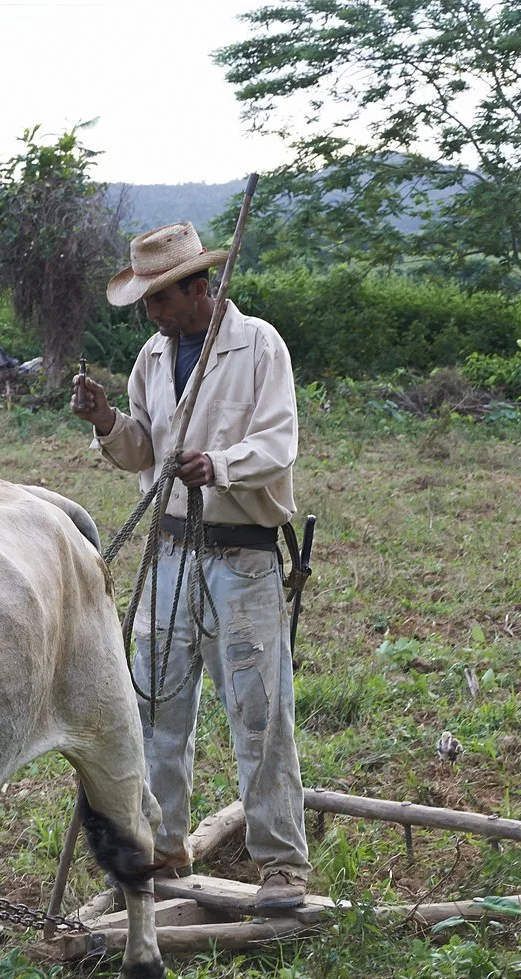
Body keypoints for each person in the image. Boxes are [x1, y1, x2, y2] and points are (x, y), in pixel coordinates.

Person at [71, 221, 311, 913]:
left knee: (259, 713)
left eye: (160, 299)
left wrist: (222, 465)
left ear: (199, 288)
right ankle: (164, 847)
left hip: (242, 554)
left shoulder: (258, 344)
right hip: (170, 550)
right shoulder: (153, 357)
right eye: (145, 302)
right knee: (155, 711)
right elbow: (144, 450)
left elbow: (279, 442)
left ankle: (281, 865)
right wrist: (108, 421)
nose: (151, 313)